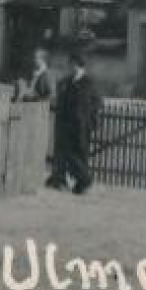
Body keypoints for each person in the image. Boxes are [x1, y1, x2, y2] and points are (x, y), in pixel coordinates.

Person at [49, 51, 101, 194]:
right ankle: (79, 182)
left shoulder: (89, 83)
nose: (69, 67)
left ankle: (84, 181)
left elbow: (96, 104)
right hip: (67, 126)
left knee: (80, 155)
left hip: (82, 127)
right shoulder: (66, 82)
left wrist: (91, 122)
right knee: (69, 154)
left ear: (77, 65)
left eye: (71, 64)